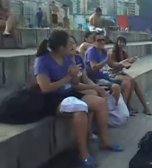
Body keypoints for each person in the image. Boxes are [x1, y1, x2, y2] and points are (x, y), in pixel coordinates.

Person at [34, 30, 122, 168]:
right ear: (61, 47)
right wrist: (67, 78)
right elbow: (45, 88)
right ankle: (83, 154)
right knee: (80, 111)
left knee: (100, 102)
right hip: (53, 99)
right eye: (69, 43)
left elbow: (74, 83)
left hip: (70, 93)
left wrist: (75, 75)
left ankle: (105, 141)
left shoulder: (68, 58)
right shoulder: (42, 61)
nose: (72, 46)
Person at [107, 36, 152, 116]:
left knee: (134, 83)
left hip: (120, 73)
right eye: (119, 42)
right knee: (130, 81)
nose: (121, 44)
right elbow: (112, 65)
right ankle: (126, 107)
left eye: (123, 42)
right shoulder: (112, 52)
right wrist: (124, 62)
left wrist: (131, 62)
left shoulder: (124, 53)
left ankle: (145, 107)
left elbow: (127, 67)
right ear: (117, 43)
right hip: (112, 74)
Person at [83, 33, 121, 104]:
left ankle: (126, 107)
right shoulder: (91, 51)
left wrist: (123, 63)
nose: (102, 42)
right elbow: (94, 67)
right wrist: (106, 59)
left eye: (103, 40)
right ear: (94, 42)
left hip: (105, 76)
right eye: (99, 40)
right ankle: (113, 109)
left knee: (127, 82)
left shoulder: (104, 51)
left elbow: (111, 64)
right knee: (116, 87)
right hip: (95, 79)